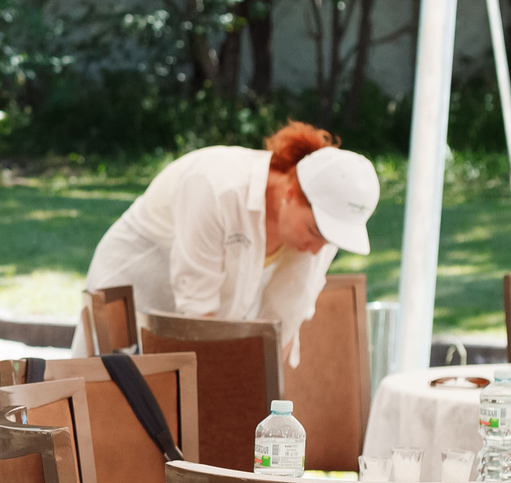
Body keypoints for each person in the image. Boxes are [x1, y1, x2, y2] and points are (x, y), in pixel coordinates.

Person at [79, 120, 379, 362]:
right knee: (108, 406)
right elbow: (199, 318)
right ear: (290, 192)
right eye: (314, 232)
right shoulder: (216, 188)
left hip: (200, 318)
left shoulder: (324, 227)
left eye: (328, 240)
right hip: (135, 287)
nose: (317, 250)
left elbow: (284, 324)